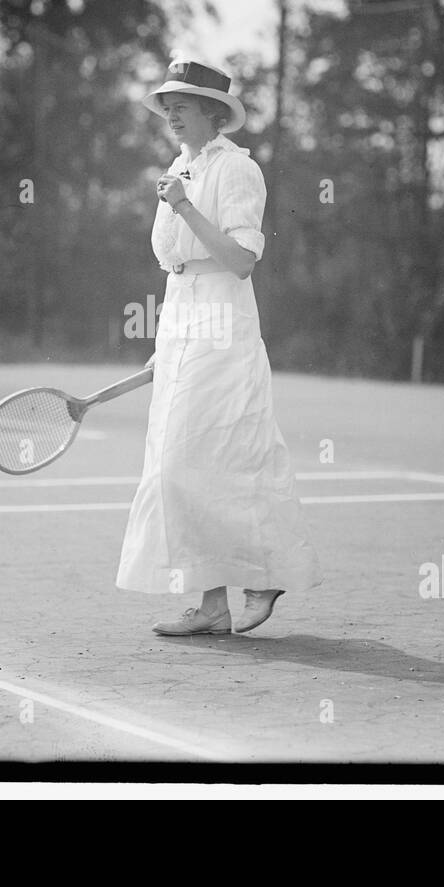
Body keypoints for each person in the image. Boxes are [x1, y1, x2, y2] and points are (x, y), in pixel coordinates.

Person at [118, 53, 322, 635]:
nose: (171, 115)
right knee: (176, 463)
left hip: (225, 320)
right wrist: (170, 341)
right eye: (167, 107)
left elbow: (239, 260)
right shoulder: (179, 165)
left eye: (180, 107)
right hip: (183, 316)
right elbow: (176, 265)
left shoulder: (236, 170)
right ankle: (212, 605)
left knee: (210, 458)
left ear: (212, 112)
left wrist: (183, 207)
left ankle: (264, 574)